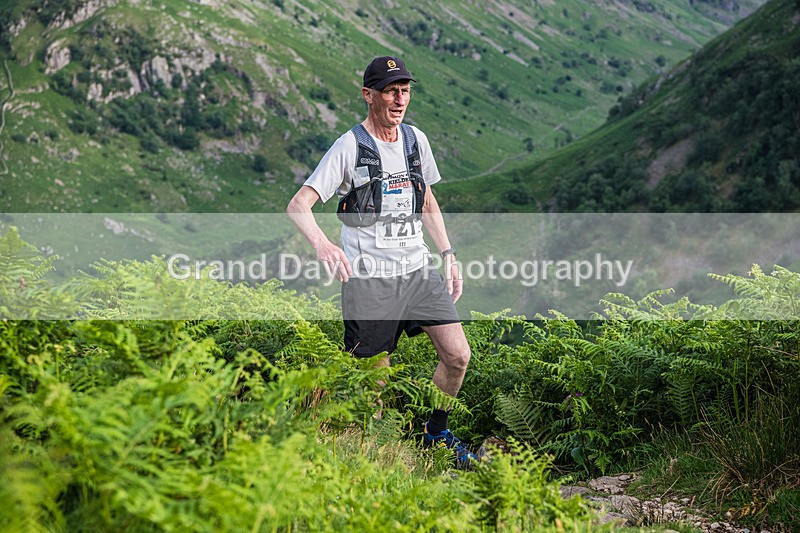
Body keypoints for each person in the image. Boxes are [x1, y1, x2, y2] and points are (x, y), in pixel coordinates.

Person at [286, 56, 477, 467]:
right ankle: (377, 460)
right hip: (369, 280)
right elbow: (299, 205)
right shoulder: (349, 146)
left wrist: (448, 254)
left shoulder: (415, 141)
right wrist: (323, 245)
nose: (399, 99)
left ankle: (436, 434)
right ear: (368, 95)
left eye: (404, 90)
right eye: (390, 91)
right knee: (375, 380)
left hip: (418, 271)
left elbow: (426, 199)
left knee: (458, 356)